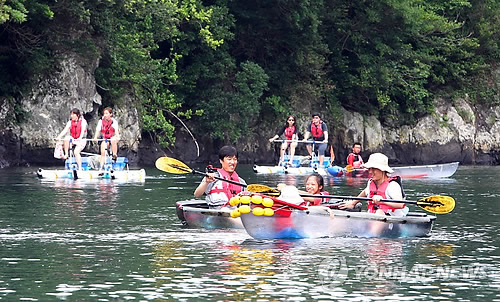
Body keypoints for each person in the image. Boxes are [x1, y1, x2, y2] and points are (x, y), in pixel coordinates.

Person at [339, 153, 409, 217]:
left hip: (393, 223)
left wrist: (382, 200)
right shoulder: (371, 183)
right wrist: (353, 203)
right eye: (369, 169)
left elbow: (400, 204)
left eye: (374, 169)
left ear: (382, 170)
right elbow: (365, 191)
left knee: (379, 212)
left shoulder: (393, 185)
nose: (370, 172)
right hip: (373, 219)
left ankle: (371, 230)